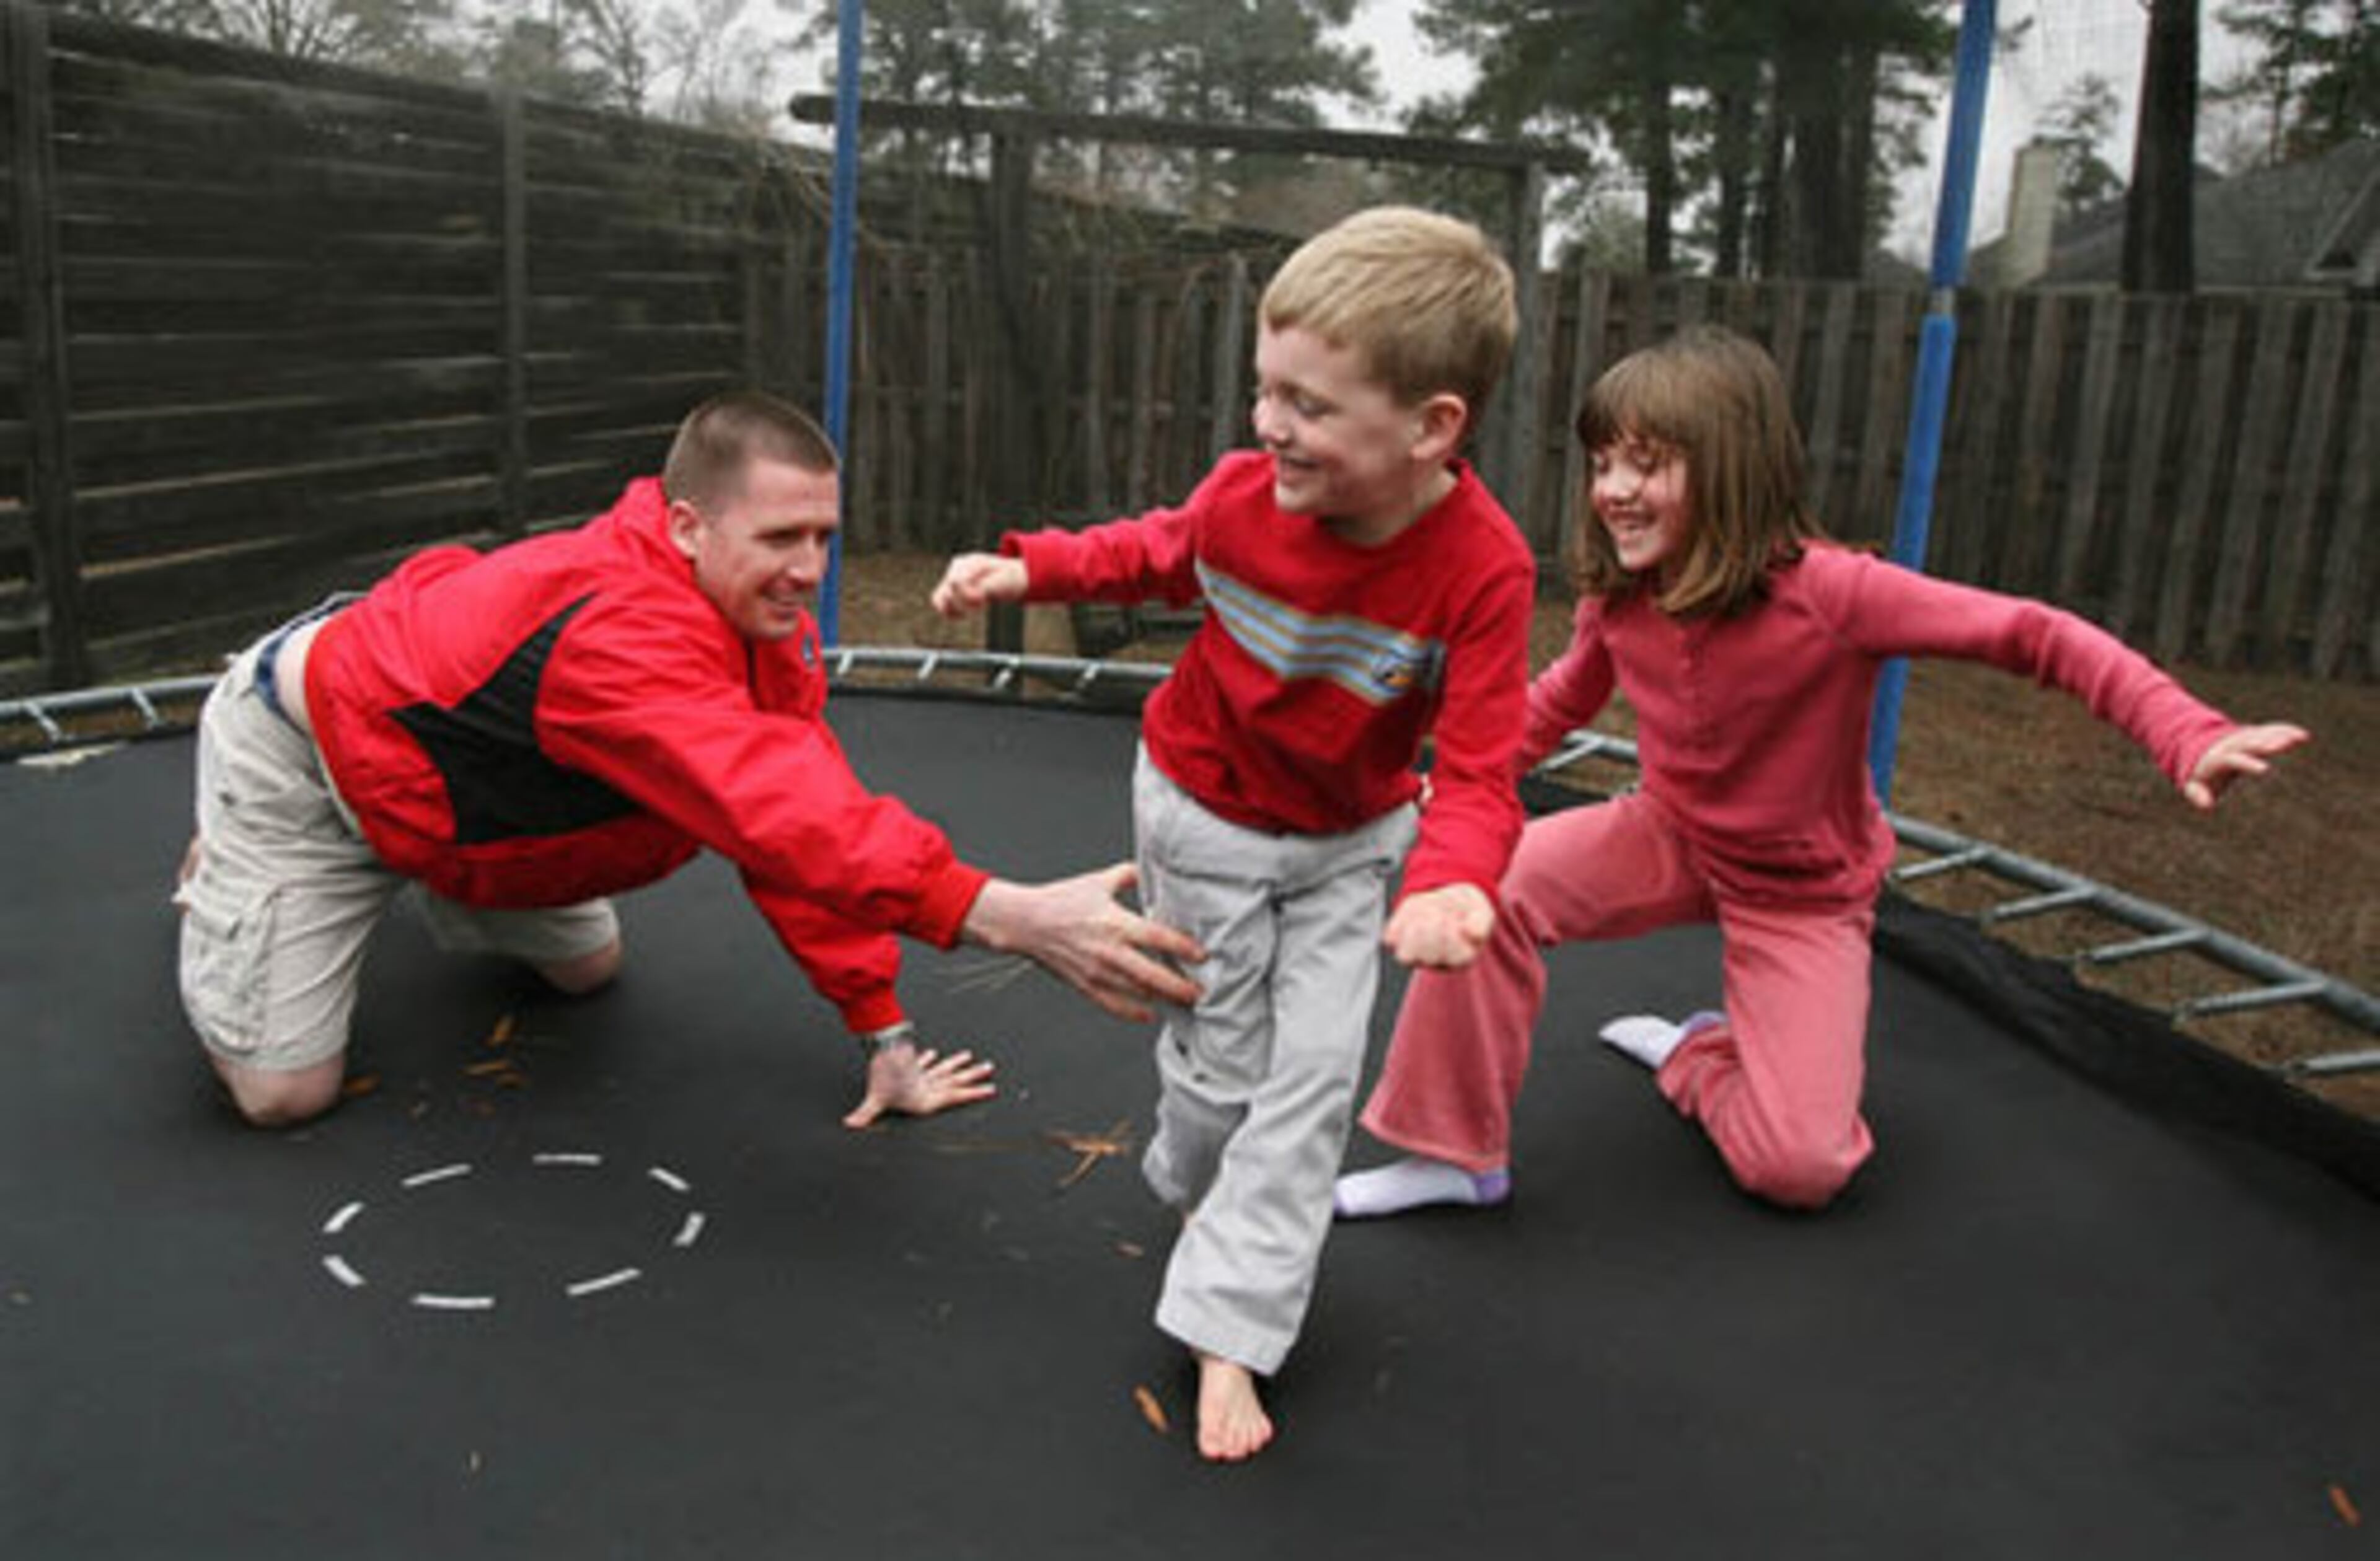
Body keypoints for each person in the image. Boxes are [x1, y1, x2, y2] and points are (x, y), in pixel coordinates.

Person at [1334, 323, 2310, 1221]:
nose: (1614, 490)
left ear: (1729, 470)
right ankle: (1455, 1153)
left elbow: (2033, 634)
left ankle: (1699, 1055)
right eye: (1601, 464)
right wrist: (1451, 795)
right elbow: (1551, 707)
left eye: (1648, 464)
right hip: (1667, 836)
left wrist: (2185, 730)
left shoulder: (1836, 592)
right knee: (1486, 889)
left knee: (1800, 1167)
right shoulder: (1627, 596)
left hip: (1802, 888)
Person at [175, 390, 1202, 1134]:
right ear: (684, 526)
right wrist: (1010, 915)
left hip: (454, 781)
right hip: (314, 758)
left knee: (586, 971)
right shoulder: (616, 634)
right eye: (781, 536)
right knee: (283, 1098)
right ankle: (235, 862)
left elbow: (800, 819)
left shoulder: (762, 620)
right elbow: (769, 809)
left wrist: (881, 1035)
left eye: (825, 537)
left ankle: (425, 868)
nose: (808, 570)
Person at [932, 206, 1536, 1461]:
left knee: (1310, 1090)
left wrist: (1457, 882)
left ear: (1431, 427)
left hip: (1350, 844)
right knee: (1218, 1090)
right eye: (1266, 391)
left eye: (1309, 406)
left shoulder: (1483, 568)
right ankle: (1199, 1182)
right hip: (1200, 811)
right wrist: (1028, 571)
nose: (1270, 426)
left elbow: (1480, 768)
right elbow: (1157, 553)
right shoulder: (1246, 496)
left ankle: (1230, 1334)